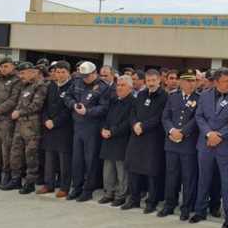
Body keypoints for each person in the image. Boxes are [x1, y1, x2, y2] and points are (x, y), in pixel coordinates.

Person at [190, 67, 228, 228]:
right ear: (216, 82)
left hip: (226, 146)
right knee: (203, 179)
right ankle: (200, 210)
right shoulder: (205, 95)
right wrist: (209, 134)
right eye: (225, 81)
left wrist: (219, 136)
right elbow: (199, 116)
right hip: (206, 144)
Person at [63, 61, 111, 201]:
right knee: (77, 159)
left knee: (90, 160)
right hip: (78, 125)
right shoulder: (77, 82)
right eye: (83, 76)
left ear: (94, 73)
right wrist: (73, 105)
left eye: (87, 76)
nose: (85, 78)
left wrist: (88, 111)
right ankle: (76, 187)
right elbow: (67, 96)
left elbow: (104, 108)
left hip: (93, 127)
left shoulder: (103, 87)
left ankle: (88, 189)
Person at [123, 69, 168, 213]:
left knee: (151, 172)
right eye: (148, 81)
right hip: (136, 137)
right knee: (133, 170)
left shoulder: (164, 96)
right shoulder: (141, 94)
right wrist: (135, 124)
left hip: (153, 139)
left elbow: (160, 117)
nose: (151, 83)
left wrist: (143, 126)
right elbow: (133, 113)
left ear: (159, 80)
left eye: (154, 80)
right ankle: (134, 199)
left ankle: (151, 202)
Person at [158, 69, 200, 220]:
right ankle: (169, 205)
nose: (191, 83)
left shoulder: (199, 98)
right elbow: (165, 117)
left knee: (188, 177)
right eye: (187, 81)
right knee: (171, 176)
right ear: (181, 83)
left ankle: (186, 207)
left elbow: (197, 119)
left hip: (188, 143)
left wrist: (182, 132)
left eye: (193, 81)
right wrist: (171, 130)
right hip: (171, 143)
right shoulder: (173, 97)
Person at [1, 62, 48, 194]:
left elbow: (37, 105)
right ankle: (15, 179)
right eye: (19, 73)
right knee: (15, 153)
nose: (20, 76)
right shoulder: (24, 86)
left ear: (33, 72)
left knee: (31, 155)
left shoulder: (40, 87)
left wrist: (20, 112)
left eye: (23, 73)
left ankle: (30, 182)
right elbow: (18, 103)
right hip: (19, 125)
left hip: (31, 126)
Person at [39, 61, 74, 198]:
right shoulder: (51, 86)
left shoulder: (72, 86)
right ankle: (48, 184)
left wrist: (55, 122)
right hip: (49, 127)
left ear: (68, 73)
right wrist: (46, 119)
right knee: (49, 159)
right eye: (57, 72)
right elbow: (45, 105)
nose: (59, 75)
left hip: (64, 129)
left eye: (62, 72)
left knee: (64, 160)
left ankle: (64, 187)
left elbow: (68, 110)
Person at [99, 74, 135, 207]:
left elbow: (128, 123)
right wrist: (104, 128)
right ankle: (109, 193)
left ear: (130, 88)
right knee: (108, 170)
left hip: (121, 140)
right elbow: (106, 118)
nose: (119, 88)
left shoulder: (133, 102)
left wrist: (112, 132)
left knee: (121, 171)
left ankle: (121, 195)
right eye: (118, 85)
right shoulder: (114, 100)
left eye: (122, 85)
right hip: (108, 139)